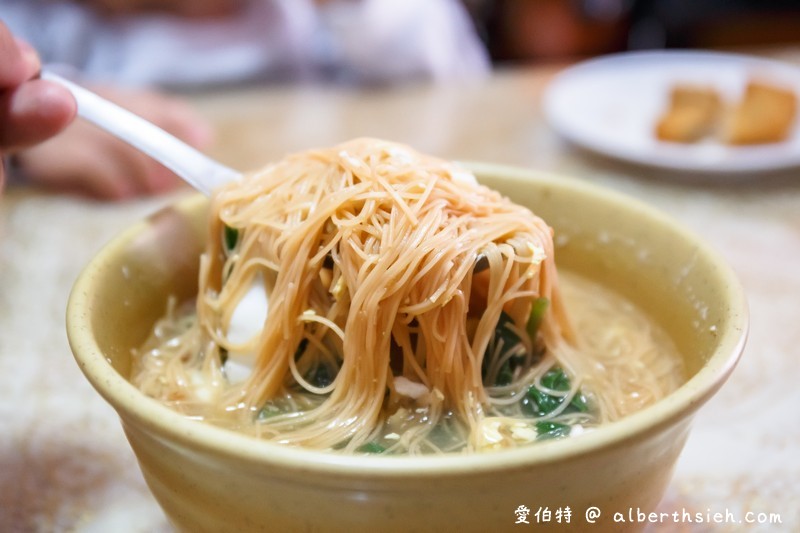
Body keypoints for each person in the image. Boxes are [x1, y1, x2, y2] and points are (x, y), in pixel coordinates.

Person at [1, 0, 489, 200]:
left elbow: (459, 82)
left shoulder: (296, 14)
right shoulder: (50, 16)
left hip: (324, 185)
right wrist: (25, 138)